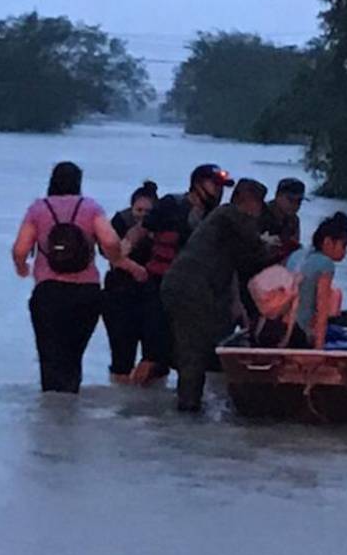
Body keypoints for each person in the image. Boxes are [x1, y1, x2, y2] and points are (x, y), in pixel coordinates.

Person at [12, 162, 145, 393]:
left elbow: (20, 249)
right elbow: (111, 242)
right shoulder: (90, 208)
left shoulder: (38, 209)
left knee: (50, 357)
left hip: (48, 293)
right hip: (86, 294)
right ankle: (71, 410)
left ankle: (50, 416)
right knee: (73, 357)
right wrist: (121, 262)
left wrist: (22, 268)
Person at [161, 179, 271, 412]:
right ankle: (188, 406)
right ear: (250, 202)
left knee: (197, 345)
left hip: (191, 286)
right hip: (191, 288)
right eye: (259, 205)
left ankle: (191, 401)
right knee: (193, 348)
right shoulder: (229, 215)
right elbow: (256, 248)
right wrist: (269, 244)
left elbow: (232, 262)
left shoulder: (222, 221)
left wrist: (236, 301)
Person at [135, 164, 235, 382]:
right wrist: (121, 257)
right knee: (153, 354)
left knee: (188, 354)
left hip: (194, 294)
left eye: (221, 187)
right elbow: (141, 231)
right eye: (214, 185)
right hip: (159, 287)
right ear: (197, 184)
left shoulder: (217, 217)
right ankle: (132, 403)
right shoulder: (171, 204)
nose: (218, 191)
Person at [102, 180, 165, 384]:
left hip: (153, 294)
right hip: (120, 293)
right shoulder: (120, 221)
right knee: (121, 356)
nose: (142, 215)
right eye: (138, 210)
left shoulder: (163, 224)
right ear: (131, 208)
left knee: (155, 357)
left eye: (147, 211)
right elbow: (110, 254)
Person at [290, 212, 347, 349]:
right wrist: (319, 350)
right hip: (299, 332)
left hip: (282, 328)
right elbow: (322, 310)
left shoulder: (297, 254)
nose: (345, 252)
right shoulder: (325, 264)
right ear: (328, 242)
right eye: (344, 246)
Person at [257, 177, 306, 266]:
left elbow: (294, 246)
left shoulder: (294, 220)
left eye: (298, 202)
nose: (295, 205)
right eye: (290, 200)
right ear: (277, 196)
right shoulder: (260, 213)